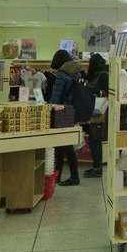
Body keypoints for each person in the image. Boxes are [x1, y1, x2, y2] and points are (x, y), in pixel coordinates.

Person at [49, 49, 82, 186]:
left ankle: (74, 176)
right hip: (72, 111)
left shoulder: (62, 75)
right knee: (63, 144)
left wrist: (49, 108)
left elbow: (56, 96)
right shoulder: (76, 72)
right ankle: (58, 174)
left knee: (65, 145)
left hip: (62, 112)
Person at [83, 53, 109, 178]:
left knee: (95, 138)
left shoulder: (102, 75)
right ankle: (96, 166)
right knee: (94, 138)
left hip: (101, 110)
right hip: (97, 110)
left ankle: (97, 168)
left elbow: (108, 93)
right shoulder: (100, 75)